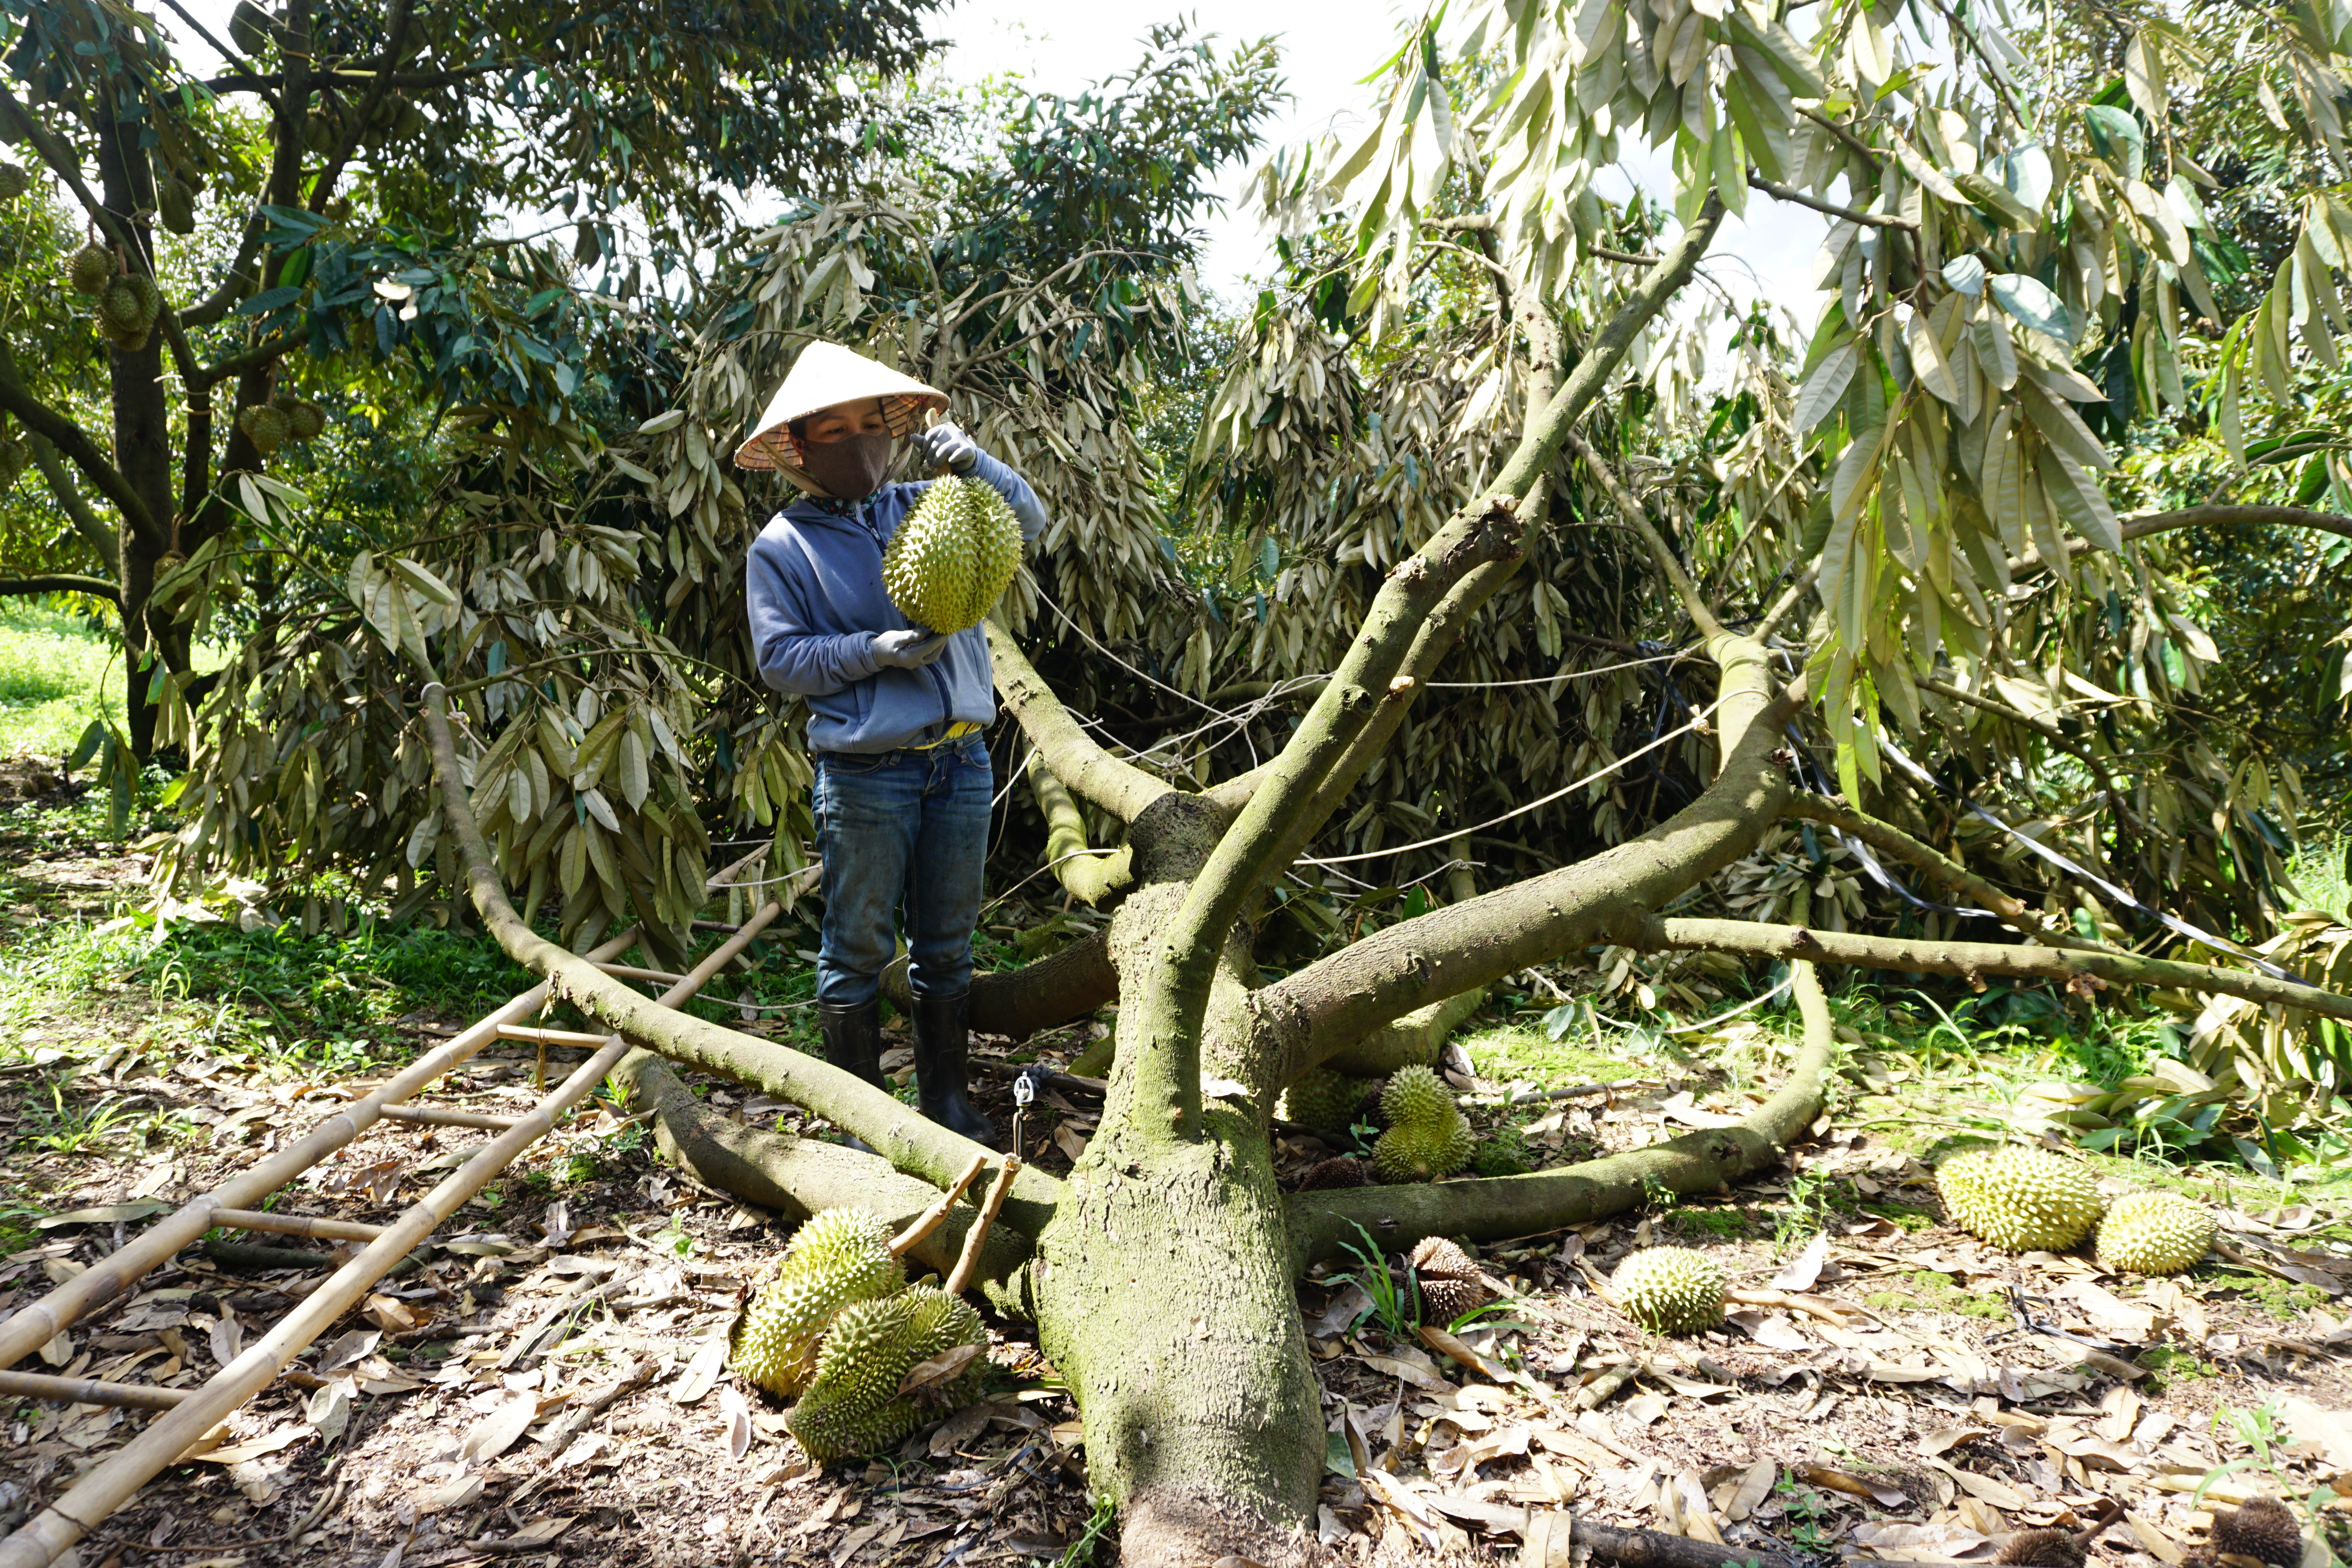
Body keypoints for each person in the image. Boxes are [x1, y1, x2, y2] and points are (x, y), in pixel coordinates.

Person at [736, 343, 1047, 1150]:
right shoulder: (780, 547)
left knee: (947, 945)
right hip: (867, 772)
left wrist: (977, 463)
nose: (860, 444)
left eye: (871, 425)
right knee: (859, 948)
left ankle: (945, 1101)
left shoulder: (932, 502)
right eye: (834, 430)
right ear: (799, 447)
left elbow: (1032, 522)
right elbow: (782, 663)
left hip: (961, 760)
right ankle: (861, 1120)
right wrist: (876, 648)